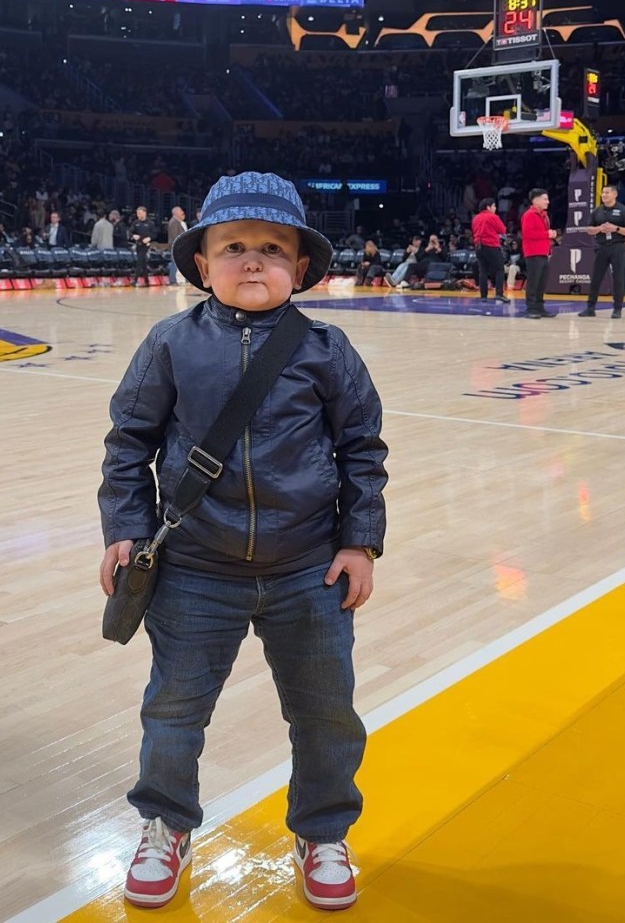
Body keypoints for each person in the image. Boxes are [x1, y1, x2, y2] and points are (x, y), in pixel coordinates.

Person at [98, 172, 388, 912]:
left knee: (325, 713)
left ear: (299, 266)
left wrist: (358, 541)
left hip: (308, 572)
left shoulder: (327, 348)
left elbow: (361, 448)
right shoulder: (168, 343)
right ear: (202, 265)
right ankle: (165, 822)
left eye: (270, 248)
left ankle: (321, 830)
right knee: (172, 713)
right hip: (194, 571)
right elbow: (128, 443)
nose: (251, 261)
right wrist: (126, 530)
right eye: (232, 247)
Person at [578, 185, 625, 319]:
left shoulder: (624, 211)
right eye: (603, 192)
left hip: (617, 246)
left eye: (607, 192)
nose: (604, 195)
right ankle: (590, 307)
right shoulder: (597, 211)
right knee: (596, 278)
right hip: (601, 246)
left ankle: (617, 308)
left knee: (618, 278)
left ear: (615, 194)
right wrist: (599, 228)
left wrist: (616, 229)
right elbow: (588, 229)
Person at [520, 188, 558, 319]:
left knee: (542, 282)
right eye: (545, 199)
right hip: (533, 252)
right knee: (533, 282)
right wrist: (547, 234)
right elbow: (527, 234)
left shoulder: (544, 215)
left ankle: (540, 307)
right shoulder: (529, 215)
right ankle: (531, 308)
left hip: (543, 252)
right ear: (535, 200)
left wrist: (549, 235)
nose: (548, 202)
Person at [471, 198, 510, 303]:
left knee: (483, 270)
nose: (495, 208)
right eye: (494, 206)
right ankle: (499, 294)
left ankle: (483, 296)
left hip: (478, 246)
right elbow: (502, 230)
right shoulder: (492, 217)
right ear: (488, 207)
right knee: (499, 269)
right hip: (491, 245)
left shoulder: (476, 218)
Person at [129, 205, 155, 287]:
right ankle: (146, 281)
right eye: (137, 213)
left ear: (144, 213)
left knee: (139, 261)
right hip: (138, 245)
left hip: (146, 245)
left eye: (139, 213)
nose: (138, 215)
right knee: (143, 263)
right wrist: (133, 236)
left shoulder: (150, 223)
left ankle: (135, 280)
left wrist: (149, 238)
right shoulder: (135, 223)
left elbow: (155, 234)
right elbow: (130, 232)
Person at [166, 205, 187, 285]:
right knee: (174, 264)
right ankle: (173, 281)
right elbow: (174, 236)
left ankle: (179, 280)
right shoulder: (173, 222)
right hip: (175, 247)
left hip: (179, 246)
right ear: (176, 213)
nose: (182, 212)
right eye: (180, 211)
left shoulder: (179, 222)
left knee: (179, 264)